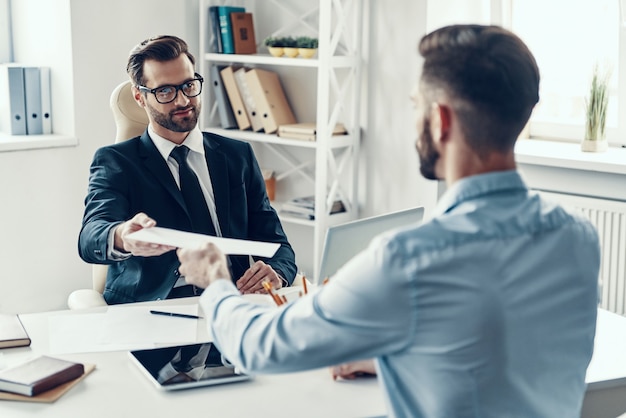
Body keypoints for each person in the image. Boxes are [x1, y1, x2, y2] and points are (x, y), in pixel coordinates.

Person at [177, 24, 600, 417]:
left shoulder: (409, 260)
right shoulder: (578, 237)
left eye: (417, 107)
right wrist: (395, 357)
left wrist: (216, 280)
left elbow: (262, 346)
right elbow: (503, 352)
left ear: (440, 120)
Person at [78, 35, 297, 304]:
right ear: (140, 97)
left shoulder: (237, 155)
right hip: (153, 309)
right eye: (166, 91)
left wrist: (278, 273)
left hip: (231, 303)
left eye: (189, 85)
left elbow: (277, 244)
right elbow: (90, 237)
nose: (183, 100)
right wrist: (122, 235)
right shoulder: (116, 161)